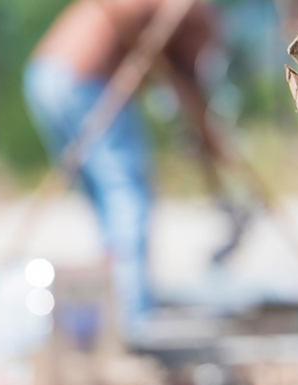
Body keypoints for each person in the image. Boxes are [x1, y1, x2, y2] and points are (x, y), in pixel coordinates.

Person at [24, 0, 216, 346]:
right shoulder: (192, 14)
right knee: (127, 192)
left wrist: (206, 141)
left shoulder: (176, 14)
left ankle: (114, 305)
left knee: (106, 202)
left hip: (45, 75)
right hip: (83, 78)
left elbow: (184, 82)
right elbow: (190, 81)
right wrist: (209, 139)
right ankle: (133, 317)